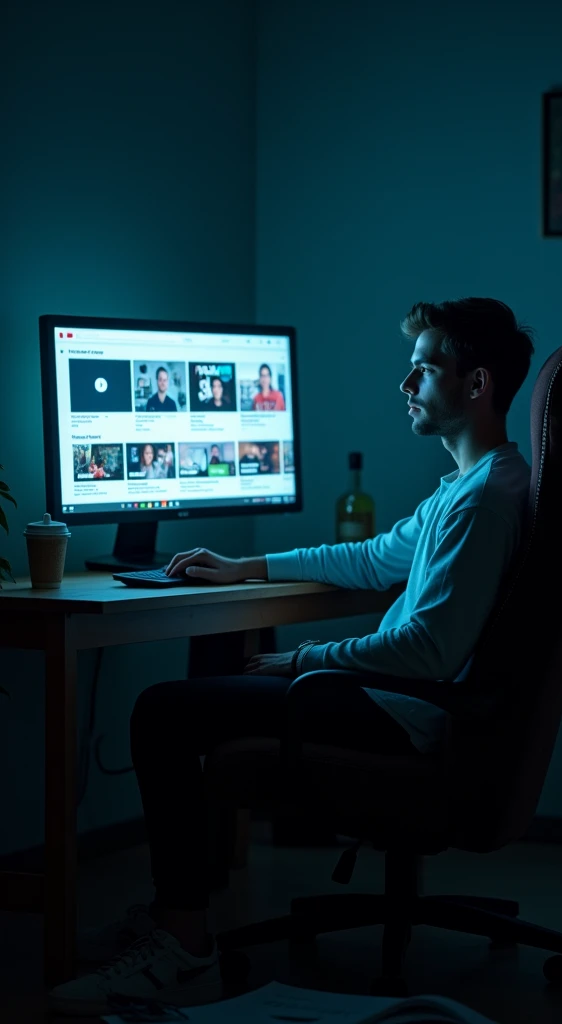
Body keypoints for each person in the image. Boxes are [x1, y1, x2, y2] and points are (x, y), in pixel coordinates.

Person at [48, 297, 535, 1015]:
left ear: (476, 385)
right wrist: (247, 565)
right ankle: (174, 918)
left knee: (163, 713)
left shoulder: (483, 500)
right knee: (192, 702)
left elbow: (427, 649)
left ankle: (183, 942)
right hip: (397, 699)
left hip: (403, 709)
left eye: (424, 371)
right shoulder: (470, 486)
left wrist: (307, 658)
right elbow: (373, 558)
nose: (405, 387)